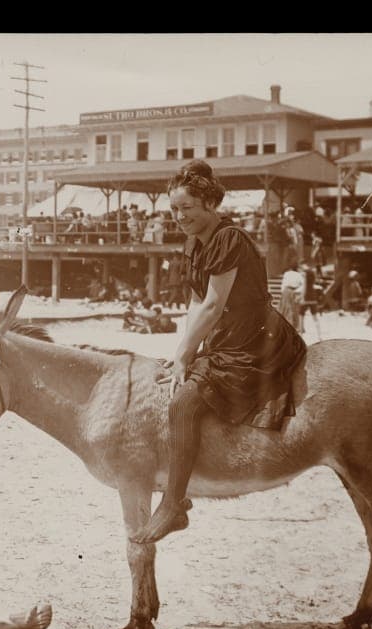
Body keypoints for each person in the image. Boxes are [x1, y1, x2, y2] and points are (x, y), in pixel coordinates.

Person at [131, 160, 307, 544]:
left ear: (210, 203)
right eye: (174, 210)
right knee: (178, 382)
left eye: (187, 208)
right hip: (225, 338)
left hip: (254, 339)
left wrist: (183, 356)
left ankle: (175, 504)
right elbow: (196, 304)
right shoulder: (195, 244)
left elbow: (213, 304)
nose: (179, 217)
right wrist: (185, 350)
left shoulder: (229, 239)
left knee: (182, 405)